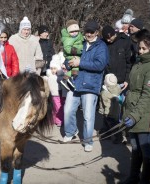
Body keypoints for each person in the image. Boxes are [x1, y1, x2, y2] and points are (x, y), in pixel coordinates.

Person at [120, 34, 150, 184]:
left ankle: (145, 181)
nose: (140, 51)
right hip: (133, 111)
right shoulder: (138, 64)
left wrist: (135, 115)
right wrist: (126, 112)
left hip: (146, 113)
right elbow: (133, 89)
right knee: (135, 147)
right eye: (139, 48)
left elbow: (147, 95)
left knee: (146, 150)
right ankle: (134, 177)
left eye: (144, 48)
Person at [63, 20, 109, 152]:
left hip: (91, 85)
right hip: (75, 82)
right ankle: (70, 132)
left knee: (88, 116)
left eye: (91, 32)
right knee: (68, 111)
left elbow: (100, 65)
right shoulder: (80, 43)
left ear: (96, 32)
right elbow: (70, 57)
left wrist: (80, 62)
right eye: (86, 31)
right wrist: (67, 63)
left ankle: (88, 141)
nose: (88, 34)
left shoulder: (101, 46)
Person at [101, 25, 132, 143]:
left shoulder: (124, 41)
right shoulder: (103, 44)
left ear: (115, 33)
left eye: (111, 37)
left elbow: (129, 62)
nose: (109, 40)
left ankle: (122, 133)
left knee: (120, 109)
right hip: (108, 82)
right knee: (106, 108)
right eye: (107, 39)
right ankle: (108, 131)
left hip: (121, 82)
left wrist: (127, 80)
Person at [60, 19, 84, 90]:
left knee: (76, 69)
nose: (74, 33)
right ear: (68, 31)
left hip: (76, 56)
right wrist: (79, 50)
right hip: (71, 57)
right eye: (72, 32)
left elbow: (82, 40)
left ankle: (65, 79)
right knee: (77, 69)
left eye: (76, 31)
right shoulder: (68, 38)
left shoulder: (79, 36)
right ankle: (70, 80)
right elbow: (67, 48)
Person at [98, 73, 122, 143]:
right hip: (116, 110)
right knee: (109, 124)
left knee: (112, 125)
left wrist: (104, 112)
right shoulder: (117, 87)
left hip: (108, 112)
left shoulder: (104, 93)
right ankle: (106, 135)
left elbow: (106, 104)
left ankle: (118, 138)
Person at [44, 54, 65, 127]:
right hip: (52, 95)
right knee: (53, 108)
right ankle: (52, 120)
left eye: (54, 68)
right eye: (51, 68)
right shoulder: (49, 76)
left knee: (59, 108)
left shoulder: (59, 76)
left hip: (59, 94)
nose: (53, 70)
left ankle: (59, 120)